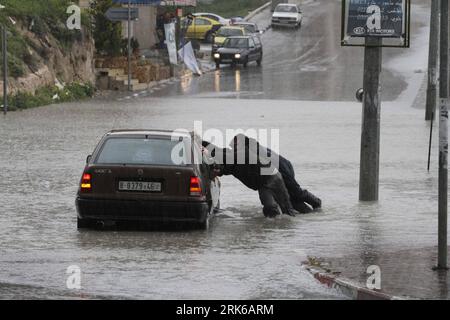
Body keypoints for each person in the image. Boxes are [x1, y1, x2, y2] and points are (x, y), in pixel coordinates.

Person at [203, 134, 321, 215]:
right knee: (289, 200)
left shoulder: (247, 151)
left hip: (281, 170)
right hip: (269, 176)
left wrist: (206, 149)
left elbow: (225, 155)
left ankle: (316, 203)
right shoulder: (245, 151)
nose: (232, 148)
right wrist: (203, 144)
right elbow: (224, 155)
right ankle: (308, 215)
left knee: (296, 193)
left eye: (233, 146)